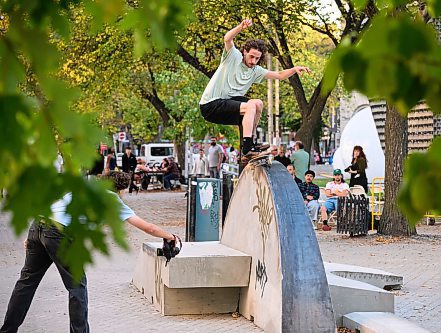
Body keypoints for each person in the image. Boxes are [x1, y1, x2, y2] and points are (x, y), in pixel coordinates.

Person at [0, 171, 178, 333]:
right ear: (121, 189)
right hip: (57, 233)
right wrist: (171, 237)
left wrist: (34, 237)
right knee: (77, 286)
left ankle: (8, 330)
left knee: (27, 282)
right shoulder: (112, 199)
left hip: (39, 224)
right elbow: (149, 228)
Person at [199, 19, 311, 157]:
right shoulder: (233, 57)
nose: (253, 61)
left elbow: (279, 75)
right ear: (245, 52)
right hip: (211, 105)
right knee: (250, 106)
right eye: (251, 56)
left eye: (257, 58)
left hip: (227, 104)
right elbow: (227, 39)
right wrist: (240, 27)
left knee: (258, 103)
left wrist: (294, 69)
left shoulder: (256, 70)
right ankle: (247, 147)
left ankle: (250, 143)